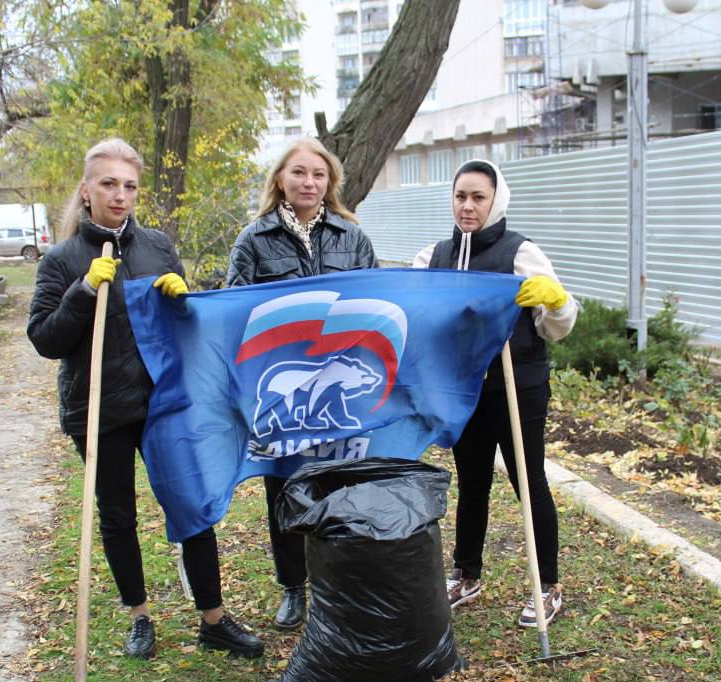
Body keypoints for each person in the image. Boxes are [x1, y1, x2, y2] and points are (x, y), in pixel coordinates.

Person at [27, 138, 263, 660]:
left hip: (164, 405)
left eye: (129, 185)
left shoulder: (156, 247)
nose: (120, 194)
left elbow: (187, 332)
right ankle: (139, 617)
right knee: (118, 517)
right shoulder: (62, 260)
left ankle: (214, 619)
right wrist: (83, 292)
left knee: (193, 506)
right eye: (108, 184)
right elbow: (45, 339)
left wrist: (187, 301)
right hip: (100, 410)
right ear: (86, 191)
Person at [413, 159, 577, 629]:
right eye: (461, 196)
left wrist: (555, 299)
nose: (468, 206)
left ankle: (547, 585)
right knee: (473, 481)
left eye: (478, 197)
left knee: (529, 483)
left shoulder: (520, 253)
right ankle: (467, 574)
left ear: (495, 200)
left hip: (516, 386)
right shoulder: (435, 257)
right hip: (464, 389)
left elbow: (559, 326)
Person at [226, 137, 378, 630]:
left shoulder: (352, 238)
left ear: (330, 183)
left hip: (339, 386)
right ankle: (293, 586)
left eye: (318, 174)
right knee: (283, 487)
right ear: (280, 180)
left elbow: (373, 302)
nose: (308, 182)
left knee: (341, 483)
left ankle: (341, 582)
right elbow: (233, 307)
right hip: (282, 384)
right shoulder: (254, 239)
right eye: (299, 173)